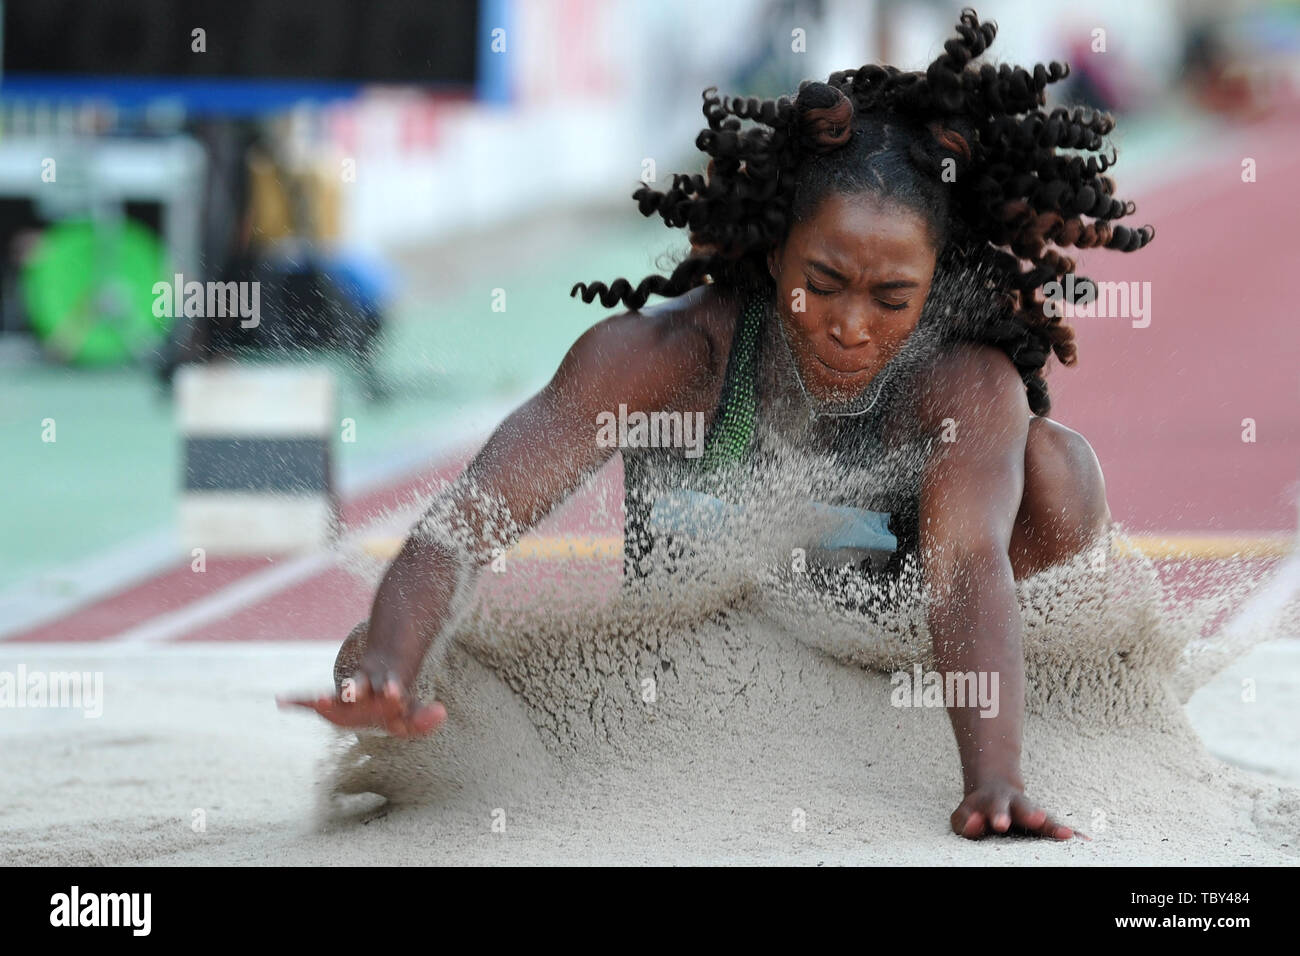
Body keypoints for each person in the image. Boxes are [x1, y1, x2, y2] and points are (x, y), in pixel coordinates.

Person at [284, 8, 1153, 840]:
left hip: (898, 673)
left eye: (892, 298)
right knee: (372, 647)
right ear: (776, 253)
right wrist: (392, 666)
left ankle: (1044, 728)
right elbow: (468, 522)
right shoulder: (662, 358)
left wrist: (993, 783)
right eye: (824, 281)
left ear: (933, 284)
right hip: (700, 675)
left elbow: (966, 572)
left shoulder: (961, 384)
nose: (852, 325)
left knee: (1059, 470)